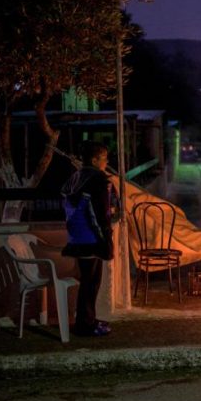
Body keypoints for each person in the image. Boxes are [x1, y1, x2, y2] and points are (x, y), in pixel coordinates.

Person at [61, 141, 119, 337]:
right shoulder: (98, 180)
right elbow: (99, 213)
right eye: (103, 158)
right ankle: (85, 325)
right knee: (91, 282)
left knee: (89, 281)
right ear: (94, 160)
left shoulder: (76, 177)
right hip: (91, 238)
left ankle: (88, 320)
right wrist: (105, 240)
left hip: (77, 237)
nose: (106, 161)